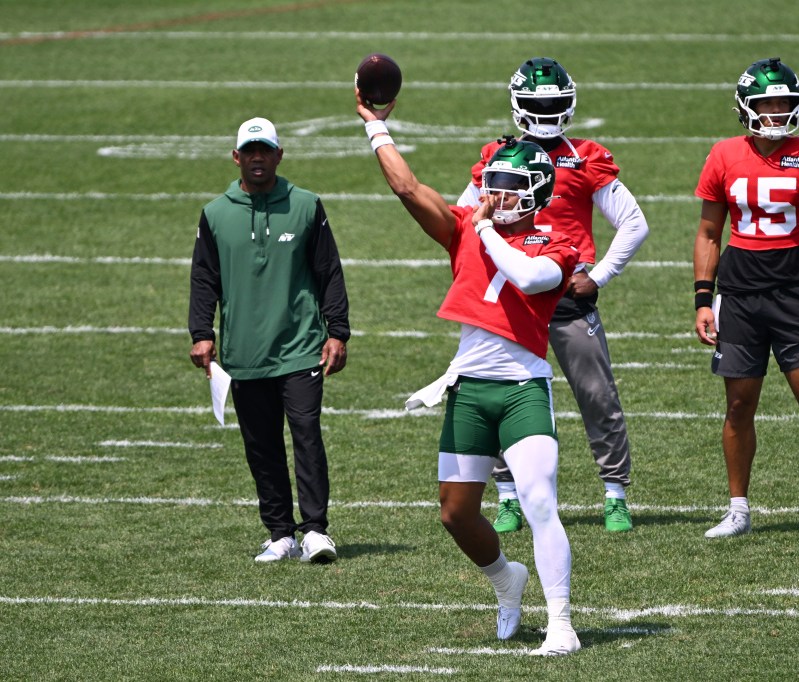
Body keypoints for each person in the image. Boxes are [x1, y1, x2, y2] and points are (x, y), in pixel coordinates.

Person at [356, 87, 582, 655]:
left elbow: (531, 279)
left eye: (510, 189)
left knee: (538, 501)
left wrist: (483, 231)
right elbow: (407, 188)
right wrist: (374, 126)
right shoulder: (465, 228)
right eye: (493, 187)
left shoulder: (558, 239)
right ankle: (507, 579)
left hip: (523, 390)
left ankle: (561, 622)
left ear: (537, 193)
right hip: (469, 389)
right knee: (456, 514)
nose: (497, 197)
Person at [457, 57, 649, 533]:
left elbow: (634, 223)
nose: (546, 111)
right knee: (503, 392)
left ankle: (614, 492)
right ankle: (506, 496)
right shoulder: (496, 157)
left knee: (596, 392)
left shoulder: (584, 157)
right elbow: (463, 215)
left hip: (565, 294)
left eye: (554, 103)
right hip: (513, 296)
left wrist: (599, 275)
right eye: (538, 103)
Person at [692, 58, 799, 539]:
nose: (776, 112)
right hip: (740, 298)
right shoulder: (724, 154)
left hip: (793, 296)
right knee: (738, 407)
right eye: (767, 103)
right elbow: (710, 231)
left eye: (784, 103)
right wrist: (704, 299)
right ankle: (738, 509)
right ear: (745, 107)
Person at [188, 116, 350, 563]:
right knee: (260, 444)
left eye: (266, 150)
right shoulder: (215, 214)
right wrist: (202, 333)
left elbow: (328, 272)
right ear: (236, 157)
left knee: (306, 435)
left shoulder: (306, 206)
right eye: (250, 151)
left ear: (279, 155)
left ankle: (316, 530)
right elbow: (204, 279)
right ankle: (280, 532)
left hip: (300, 348)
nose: (258, 158)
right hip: (244, 353)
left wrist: (337, 331)